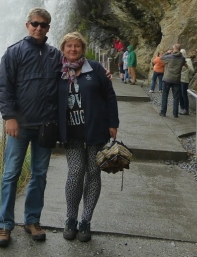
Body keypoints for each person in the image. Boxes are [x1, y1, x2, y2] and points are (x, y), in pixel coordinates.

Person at [0, 7, 61, 247]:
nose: (38, 28)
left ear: (48, 28)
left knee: (39, 176)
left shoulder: (55, 55)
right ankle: (4, 225)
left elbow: (72, 76)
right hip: (19, 127)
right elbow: (4, 87)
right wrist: (9, 117)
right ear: (27, 25)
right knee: (10, 175)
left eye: (43, 25)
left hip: (45, 126)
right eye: (34, 23)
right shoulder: (14, 52)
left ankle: (32, 221)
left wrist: (97, 72)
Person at [57, 32, 119, 242]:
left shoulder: (96, 68)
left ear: (82, 49)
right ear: (63, 49)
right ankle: (70, 219)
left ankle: (86, 221)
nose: (73, 49)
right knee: (75, 173)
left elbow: (109, 96)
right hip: (71, 132)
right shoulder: (57, 70)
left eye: (77, 46)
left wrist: (113, 123)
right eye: (69, 46)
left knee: (93, 172)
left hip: (96, 130)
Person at [159, 44, 186, 118]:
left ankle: (163, 112)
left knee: (165, 96)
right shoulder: (182, 59)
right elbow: (184, 63)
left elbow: (161, 58)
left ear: (173, 49)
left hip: (167, 78)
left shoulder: (169, 57)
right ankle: (175, 113)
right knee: (176, 97)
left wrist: (167, 52)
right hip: (176, 80)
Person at [178, 49, 195, 115]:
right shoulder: (179, 60)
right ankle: (182, 107)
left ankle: (186, 109)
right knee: (179, 94)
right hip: (178, 79)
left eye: (182, 54)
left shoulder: (188, 60)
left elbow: (192, 71)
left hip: (184, 79)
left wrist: (187, 66)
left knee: (184, 94)